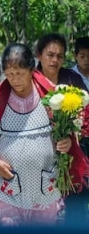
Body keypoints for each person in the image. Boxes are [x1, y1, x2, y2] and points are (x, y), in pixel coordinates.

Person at [0, 43, 87, 226]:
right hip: (9, 188)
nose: (15, 80)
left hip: (45, 186)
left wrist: (67, 142)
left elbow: (70, 132)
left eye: (20, 73)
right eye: (10, 74)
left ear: (31, 69)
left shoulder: (52, 96)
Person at [35, 33, 89, 225]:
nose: (55, 60)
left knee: (75, 214)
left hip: (72, 157)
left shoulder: (72, 79)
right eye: (50, 55)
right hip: (40, 161)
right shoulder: (29, 82)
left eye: (59, 55)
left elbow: (86, 115)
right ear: (39, 55)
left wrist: (74, 133)